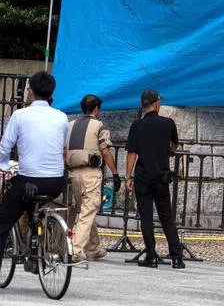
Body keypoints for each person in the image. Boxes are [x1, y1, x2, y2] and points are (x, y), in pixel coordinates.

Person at [0, 71, 69, 296]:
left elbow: (4, 148)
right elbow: (61, 151)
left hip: (29, 181)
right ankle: (36, 240)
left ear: (31, 91)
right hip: (56, 182)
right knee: (34, 202)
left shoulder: (20, 115)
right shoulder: (62, 117)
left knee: (0, 227)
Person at [124, 89, 185, 269]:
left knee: (146, 217)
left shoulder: (137, 126)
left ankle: (151, 255)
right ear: (157, 103)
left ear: (143, 105)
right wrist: (169, 151)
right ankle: (176, 257)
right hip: (161, 176)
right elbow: (175, 143)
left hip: (143, 176)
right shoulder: (168, 123)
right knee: (166, 217)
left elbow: (132, 153)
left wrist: (128, 176)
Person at [66, 94, 121, 263]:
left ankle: (93, 248)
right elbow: (105, 151)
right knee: (88, 210)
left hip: (73, 172)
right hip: (91, 172)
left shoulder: (70, 125)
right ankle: (74, 251)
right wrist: (115, 173)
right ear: (96, 109)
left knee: (84, 209)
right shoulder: (99, 125)